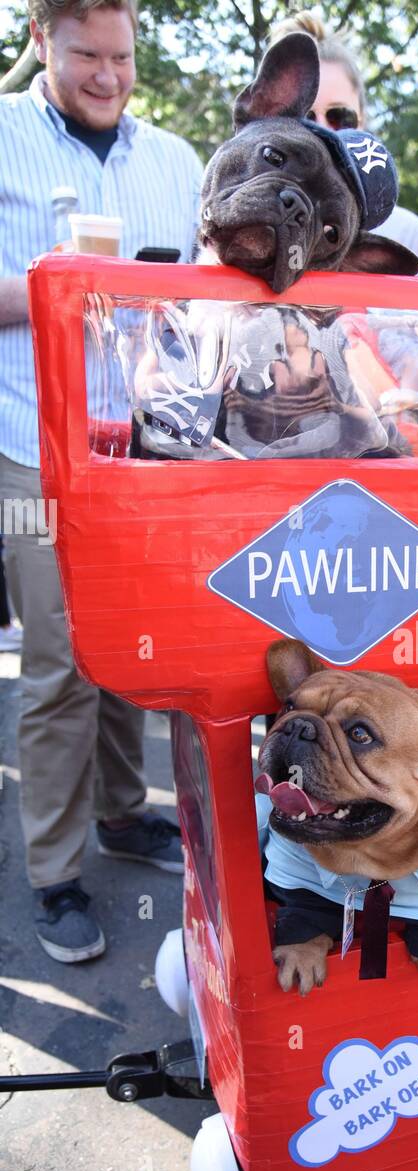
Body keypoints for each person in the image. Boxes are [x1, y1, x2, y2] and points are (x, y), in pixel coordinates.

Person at [0, 0, 204, 964]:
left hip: (143, 447)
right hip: (28, 444)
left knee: (135, 651)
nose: (109, 76)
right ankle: (55, 875)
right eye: (87, 54)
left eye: (122, 56)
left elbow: (201, 299)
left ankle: (127, 815)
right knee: (59, 662)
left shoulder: (172, 158)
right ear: (41, 38)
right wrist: (61, 283)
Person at [269, 11, 418, 277]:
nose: (323, 133)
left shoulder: (408, 235)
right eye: (305, 118)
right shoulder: (247, 227)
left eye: (340, 117)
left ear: (361, 121)